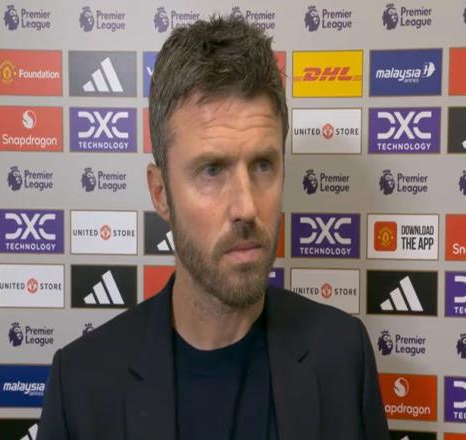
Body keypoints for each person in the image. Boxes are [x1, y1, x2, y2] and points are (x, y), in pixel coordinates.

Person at [38, 16, 390, 440]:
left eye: (263, 165)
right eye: (211, 170)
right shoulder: (81, 386)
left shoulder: (343, 356)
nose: (246, 207)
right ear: (160, 192)